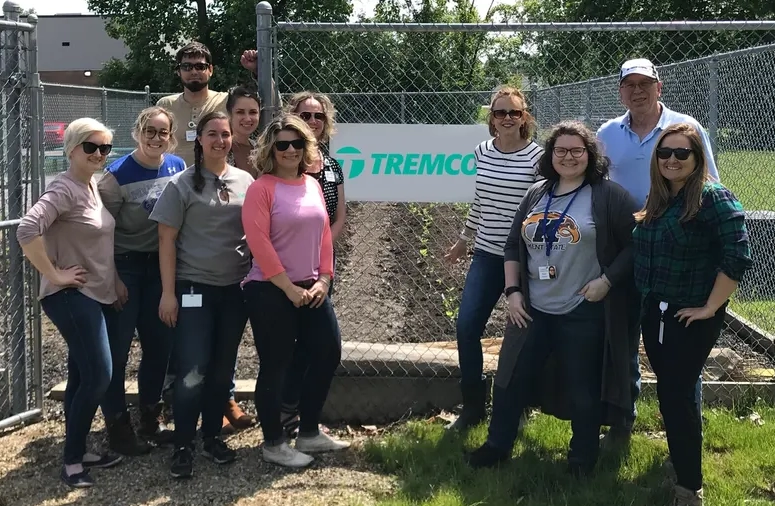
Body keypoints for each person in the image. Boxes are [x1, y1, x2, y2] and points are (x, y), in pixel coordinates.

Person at [467, 121, 639, 477]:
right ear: (550, 155)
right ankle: (498, 445)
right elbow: (513, 244)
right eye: (560, 150)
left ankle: (581, 459)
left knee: (582, 387)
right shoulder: (537, 193)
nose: (569, 157)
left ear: (590, 155)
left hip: (582, 308)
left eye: (577, 150)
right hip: (531, 309)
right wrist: (513, 293)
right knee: (510, 377)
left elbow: (635, 245)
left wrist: (606, 281)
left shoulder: (609, 196)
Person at [596, 58, 720, 447]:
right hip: (626, 251)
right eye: (629, 84)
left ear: (659, 87)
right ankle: (623, 419)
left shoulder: (684, 129)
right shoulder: (607, 133)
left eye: (644, 83)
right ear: (620, 91)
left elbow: (710, 183)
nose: (637, 90)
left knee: (682, 353)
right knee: (624, 340)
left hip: (675, 255)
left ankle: (684, 436)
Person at [633, 123, 751, 506]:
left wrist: (711, 307)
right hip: (656, 311)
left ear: (698, 157)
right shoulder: (662, 196)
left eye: (681, 153)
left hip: (690, 316)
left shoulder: (714, 198)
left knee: (675, 393)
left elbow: (738, 257)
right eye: (664, 153)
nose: (671, 159)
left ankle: (689, 487)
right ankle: (682, 463)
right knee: (672, 393)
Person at [17, 118, 122, 488]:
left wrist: (115, 280)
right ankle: (72, 461)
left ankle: (78, 448)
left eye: (105, 148)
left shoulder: (91, 184)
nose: (98, 154)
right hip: (71, 296)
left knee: (81, 376)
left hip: (95, 292)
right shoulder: (64, 189)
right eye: (90, 147)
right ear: (72, 149)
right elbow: (27, 229)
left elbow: (96, 241)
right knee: (99, 375)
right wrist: (55, 274)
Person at [149, 111, 253, 479]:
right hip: (193, 290)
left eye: (225, 135)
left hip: (234, 291)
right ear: (199, 139)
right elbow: (166, 240)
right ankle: (183, 444)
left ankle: (211, 437)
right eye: (213, 134)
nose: (220, 141)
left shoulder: (245, 180)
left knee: (221, 369)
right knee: (192, 370)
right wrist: (168, 294)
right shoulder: (181, 185)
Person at [242, 114, 350, 468]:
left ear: (307, 147)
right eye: (282, 144)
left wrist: (324, 279)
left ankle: (309, 432)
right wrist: (287, 287)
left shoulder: (313, 185)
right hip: (270, 289)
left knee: (327, 352)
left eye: (297, 143)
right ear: (271, 149)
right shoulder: (262, 188)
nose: (290, 150)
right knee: (276, 365)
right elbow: (258, 242)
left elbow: (323, 236)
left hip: (312, 287)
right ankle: (274, 442)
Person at [444, 86, 543, 431]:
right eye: (500, 113)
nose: (507, 118)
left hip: (525, 258)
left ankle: (518, 403)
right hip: (486, 254)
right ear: (491, 118)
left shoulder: (537, 159)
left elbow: (543, 211)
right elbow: (481, 201)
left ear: (524, 117)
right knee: (467, 327)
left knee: (521, 334)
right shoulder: (482, 151)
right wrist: (463, 240)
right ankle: (472, 406)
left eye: (514, 112)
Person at [97, 106, 186, 455]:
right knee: (117, 352)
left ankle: (151, 419)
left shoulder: (176, 167)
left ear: (171, 135)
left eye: (162, 132)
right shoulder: (115, 175)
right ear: (137, 132)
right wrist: (113, 278)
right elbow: (102, 233)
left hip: (162, 267)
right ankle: (118, 427)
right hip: (126, 266)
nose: (156, 138)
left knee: (160, 347)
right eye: (149, 131)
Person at [281, 91, 347, 438]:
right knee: (294, 344)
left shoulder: (333, 165)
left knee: (316, 344)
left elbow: (339, 214)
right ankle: (285, 412)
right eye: (304, 115)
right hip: (288, 271)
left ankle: (297, 415)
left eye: (318, 116)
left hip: (321, 268)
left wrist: (323, 249)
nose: (312, 122)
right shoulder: (285, 160)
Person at [220, 85, 261, 432]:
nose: (247, 119)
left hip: (262, 253)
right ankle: (224, 399)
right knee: (225, 332)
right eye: (240, 112)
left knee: (260, 330)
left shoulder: (267, 150)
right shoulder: (219, 149)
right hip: (229, 251)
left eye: (253, 112)